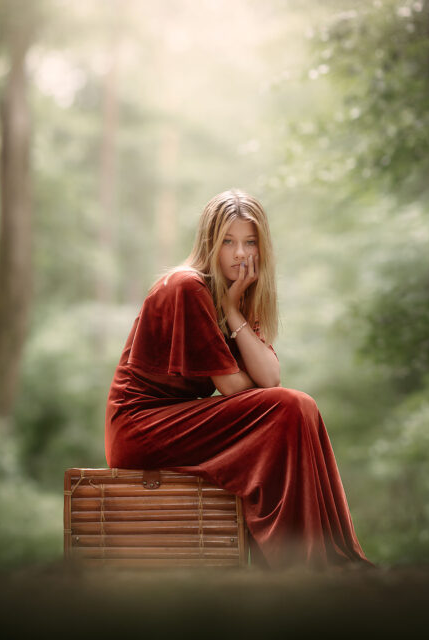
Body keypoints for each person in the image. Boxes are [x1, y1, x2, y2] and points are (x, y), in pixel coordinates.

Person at [105, 189, 374, 570]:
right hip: (141, 428)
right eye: (228, 242)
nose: (240, 254)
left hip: (178, 421)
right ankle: (297, 557)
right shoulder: (186, 286)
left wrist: (232, 309)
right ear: (210, 244)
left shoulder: (232, 295)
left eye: (250, 242)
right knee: (289, 407)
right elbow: (233, 388)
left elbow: (269, 376)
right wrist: (230, 309)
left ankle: (312, 550)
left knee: (299, 408)